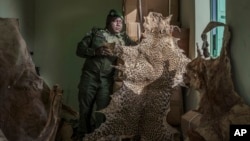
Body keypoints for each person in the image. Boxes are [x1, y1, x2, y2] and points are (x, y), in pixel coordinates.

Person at [73, 9, 138, 140]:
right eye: (115, 21)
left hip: (107, 80)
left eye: (121, 22)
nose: (119, 24)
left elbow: (137, 49)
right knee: (85, 109)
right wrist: (95, 51)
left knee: (102, 111)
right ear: (108, 22)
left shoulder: (124, 38)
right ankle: (82, 135)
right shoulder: (96, 33)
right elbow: (79, 50)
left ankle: (98, 137)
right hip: (89, 76)